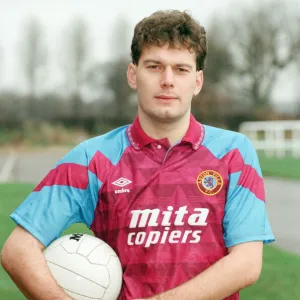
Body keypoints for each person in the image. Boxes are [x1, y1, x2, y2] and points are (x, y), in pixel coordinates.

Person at [1, 9, 275, 300]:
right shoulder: (93, 158)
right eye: (154, 66)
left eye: (181, 69)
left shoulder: (234, 152)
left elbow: (246, 262)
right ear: (133, 75)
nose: (167, 80)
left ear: (197, 80)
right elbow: (18, 250)